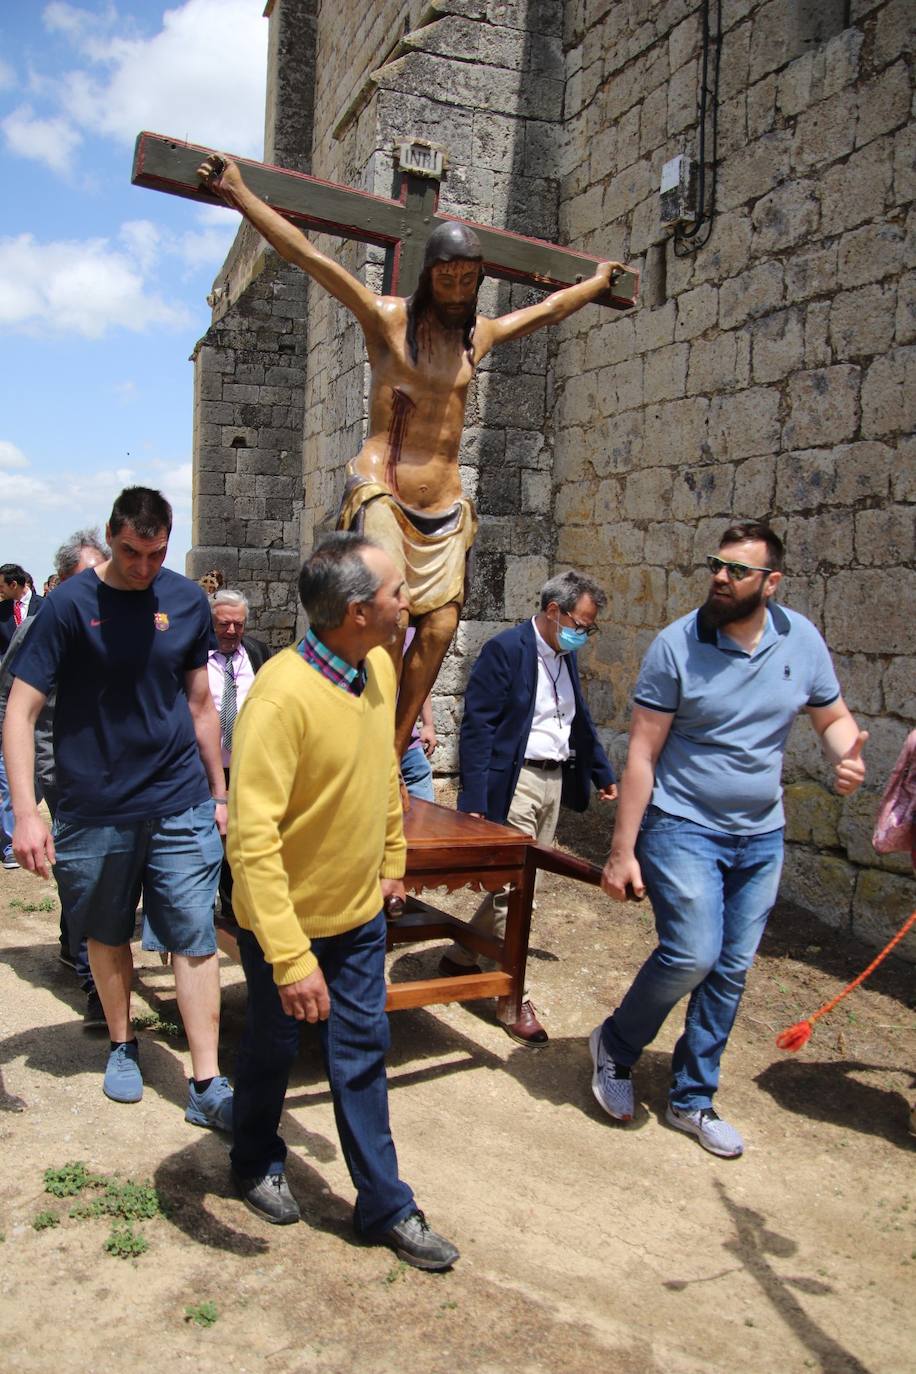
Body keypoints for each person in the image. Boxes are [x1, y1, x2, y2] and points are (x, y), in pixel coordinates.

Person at [196, 152, 626, 760]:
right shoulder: (386, 320)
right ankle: (358, 727)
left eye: (468, 279)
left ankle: (389, 752)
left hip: (445, 505)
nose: (457, 289)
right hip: (383, 488)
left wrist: (595, 284)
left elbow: (548, 310)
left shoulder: (479, 335)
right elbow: (307, 256)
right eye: (447, 278)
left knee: (442, 626)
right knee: (389, 614)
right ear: (428, 276)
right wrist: (240, 192)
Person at [595, 520, 868, 1157]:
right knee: (692, 953)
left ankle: (693, 1098)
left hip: (761, 835)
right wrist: (621, 850)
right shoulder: (675, 645)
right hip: (681, 824)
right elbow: (642, 752)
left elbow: (830, 713)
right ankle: (615, 1046)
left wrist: (843, 756)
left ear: (771, 583)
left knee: (732, 969)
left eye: (737, 569)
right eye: (716, 564)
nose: (720, 576)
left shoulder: (800, 640)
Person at [227, 531, 458, 1271]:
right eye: (397, 593)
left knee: (362, 1052)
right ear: (358, 611)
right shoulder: (279, 697)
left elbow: (381, 775)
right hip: (285, 927)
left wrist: (392, 862)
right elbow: (252, 842)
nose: (408, 603)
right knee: (272, 1046)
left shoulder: (379, 669)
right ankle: (256, 1156)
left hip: (358, 918)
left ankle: (385, 1204)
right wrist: (291, 960)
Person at [4, 487, 233, 1129]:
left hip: (178, 798)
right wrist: (26, 812)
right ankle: (122, 1042)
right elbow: (20, 712)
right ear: (112, 536)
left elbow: (199, 705)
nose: (143, 566)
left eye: (156, 553)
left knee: (192, 933)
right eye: (131, 552)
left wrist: (218, 794)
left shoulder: (187, 600)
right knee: (106, 933)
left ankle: (207, 1080)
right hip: (94, 805)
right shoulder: (68, 606)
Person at [443, 570, 617, 1045]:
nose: (585, 633)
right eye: (581, 623)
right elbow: (477, 727)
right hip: (515, 780)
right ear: (553, 611)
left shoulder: (565, 658)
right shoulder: (506, 649)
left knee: (519, 879)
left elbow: (575, 721)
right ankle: (512, 996)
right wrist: (474, 802)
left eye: (590, 627)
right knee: (520, 890)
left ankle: (462, 954)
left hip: (554, 780)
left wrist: (603, 774)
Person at [0, 529, 107, 1024]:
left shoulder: (115, 620)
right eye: (86, 576)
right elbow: (12, 699)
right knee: (87, 872)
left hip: (113, 773)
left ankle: (73, 946)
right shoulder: (44, 624)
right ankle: (94, 985)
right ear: (62, 581)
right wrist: (35, 773)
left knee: (88, 872)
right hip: (65, 772)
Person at [208, 589, 270, 919]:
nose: (231, 632)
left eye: (239, 624)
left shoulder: (258, 654)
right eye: (223, 624)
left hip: (248, 771)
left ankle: (234, 909)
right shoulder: (193, 657)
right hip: (206, 771)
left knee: (242, 843)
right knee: (210, 844)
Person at [0, 564, 41, 653]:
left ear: (13, 585)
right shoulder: (2, 609)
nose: (0, 591)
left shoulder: (44, 606)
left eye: (1, 587)